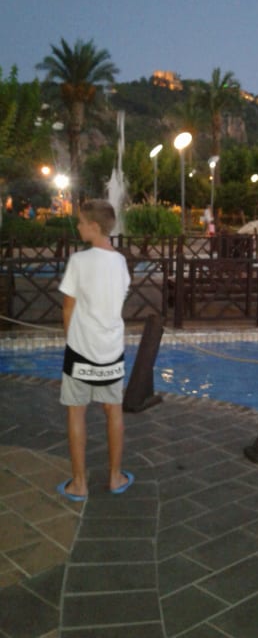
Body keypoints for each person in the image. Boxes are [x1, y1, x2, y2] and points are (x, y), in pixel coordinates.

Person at [56, 199, 132, 502]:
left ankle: (79, 483)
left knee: (76, 413)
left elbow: (68, 307)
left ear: (94, 226)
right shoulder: (121, 262)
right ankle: (115, 476)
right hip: (111, 350)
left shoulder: (79, 261)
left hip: (80, 350)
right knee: (113, 411)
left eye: (81, 222)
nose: (77, 226)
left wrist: (71, 338)